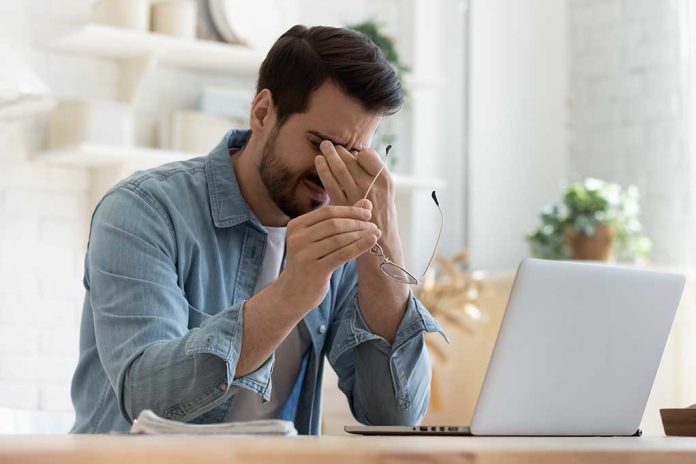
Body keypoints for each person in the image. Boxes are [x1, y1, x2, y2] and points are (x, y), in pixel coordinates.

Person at [70, 25, 444, 434]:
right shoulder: (143, 211)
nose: (329, 170)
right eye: (320, 143)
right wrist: (293, 292)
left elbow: (395, 417)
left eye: (352, 154)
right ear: (263, 112)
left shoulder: (346, 236)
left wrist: (384, 249)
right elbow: (146, 397)